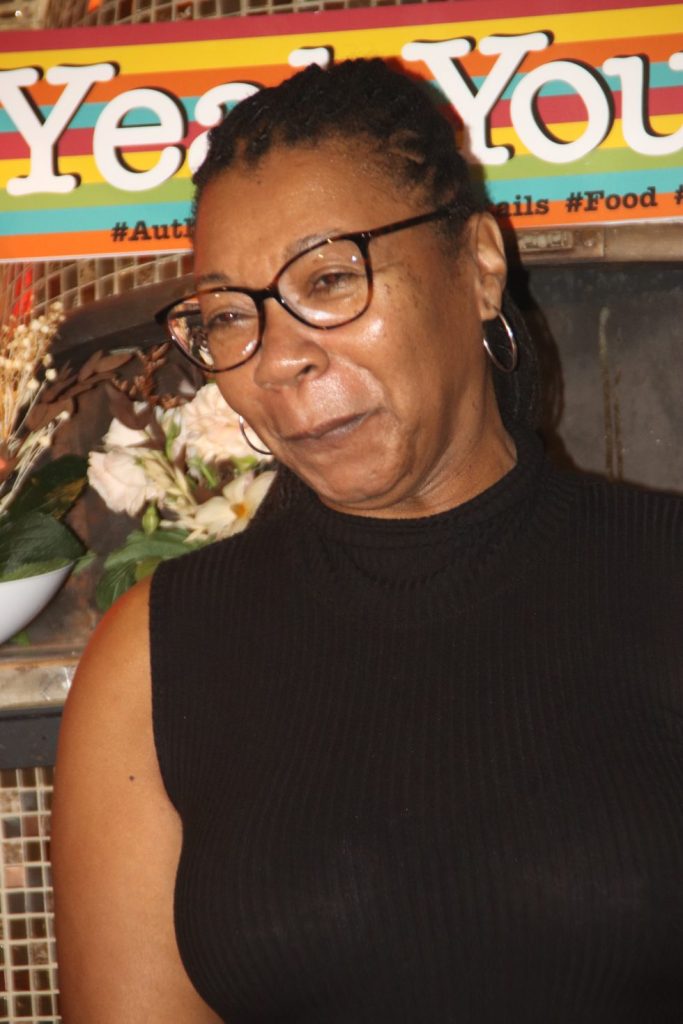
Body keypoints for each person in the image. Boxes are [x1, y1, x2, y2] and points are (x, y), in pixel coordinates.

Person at [51, 59, 683, 1023]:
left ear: (479, 266)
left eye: (330, 279)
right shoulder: (153, 661)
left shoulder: (661, 579)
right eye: (229, 316)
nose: (279, 358)